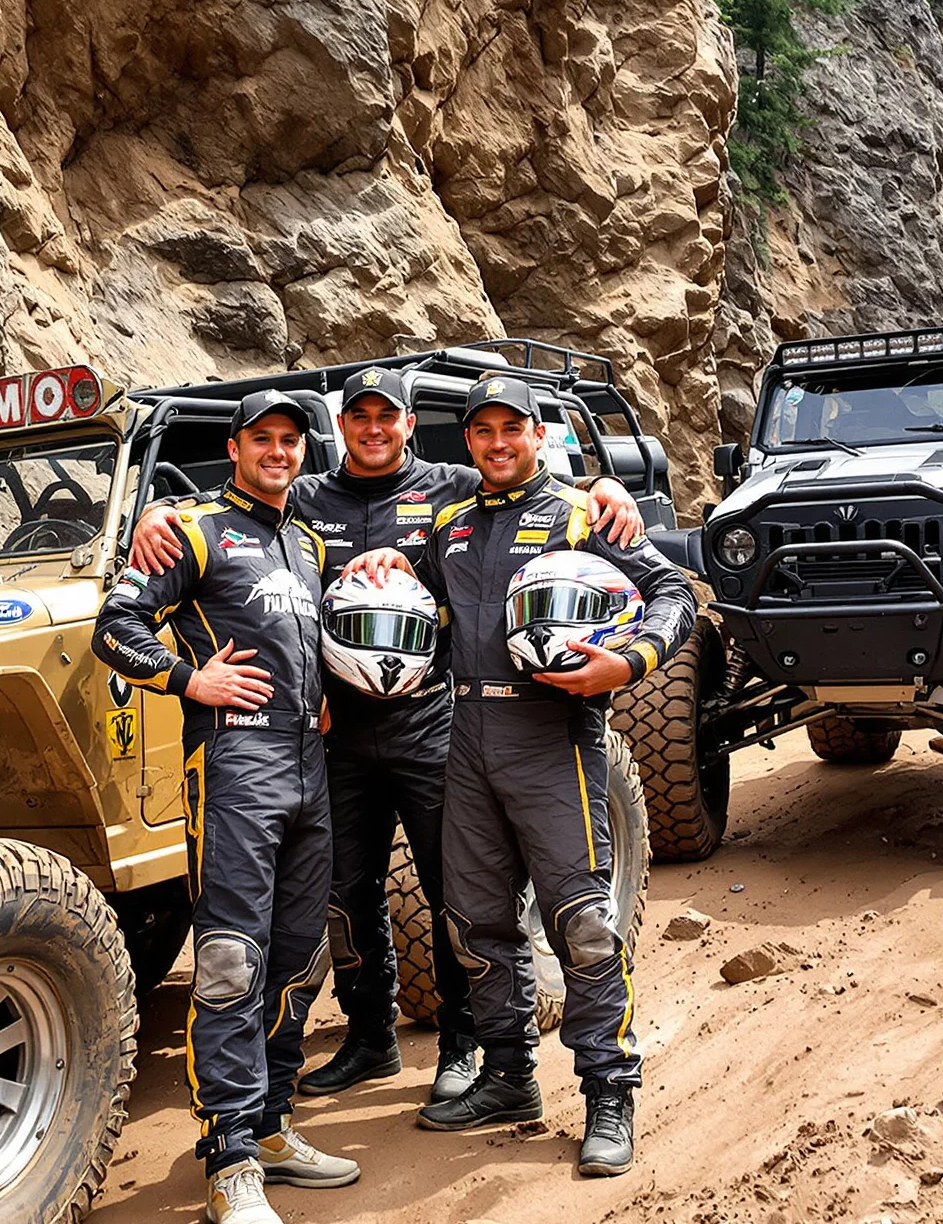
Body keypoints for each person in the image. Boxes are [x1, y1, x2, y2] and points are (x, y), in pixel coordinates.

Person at [128, 367, 645, 1108]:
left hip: (436, 724)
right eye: (359, 416)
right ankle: (370, 1035)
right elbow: (236, 501)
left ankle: (466, 1047)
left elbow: (528, 481)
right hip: (334, 732)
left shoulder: (454, 485)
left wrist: (607, 489)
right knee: (343, 891)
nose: (373, 428)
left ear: (410, 423)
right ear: (341, 426)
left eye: (388, 416)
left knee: (455, 888)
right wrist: (163, 511)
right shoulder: (305, 494)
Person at [351, 375, 695, 1178]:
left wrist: (631, 659)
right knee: (473, 920)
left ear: (539, 434)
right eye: (483, 431)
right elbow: (400, 593)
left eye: (513, 428)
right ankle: (508, 1077)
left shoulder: (584, 512)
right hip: (463, 737)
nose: (498, 443)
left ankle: (611, 1091)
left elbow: (671, 590)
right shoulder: (449, 525)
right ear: (466, 442)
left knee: (580, 920)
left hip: (552, 737)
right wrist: (375, 565)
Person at [92, 388, 355, 1224]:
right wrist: (186, 680)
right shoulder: (198, 530)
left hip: (308, 767)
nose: (279, 451)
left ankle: (274, 1125)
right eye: (263, 439)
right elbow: (114, 626)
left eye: (291, 440)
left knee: (299, 949)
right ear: (236, 448)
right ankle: (229, 1158)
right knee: (230, 961)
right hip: (233, 763)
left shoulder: (308, 539)